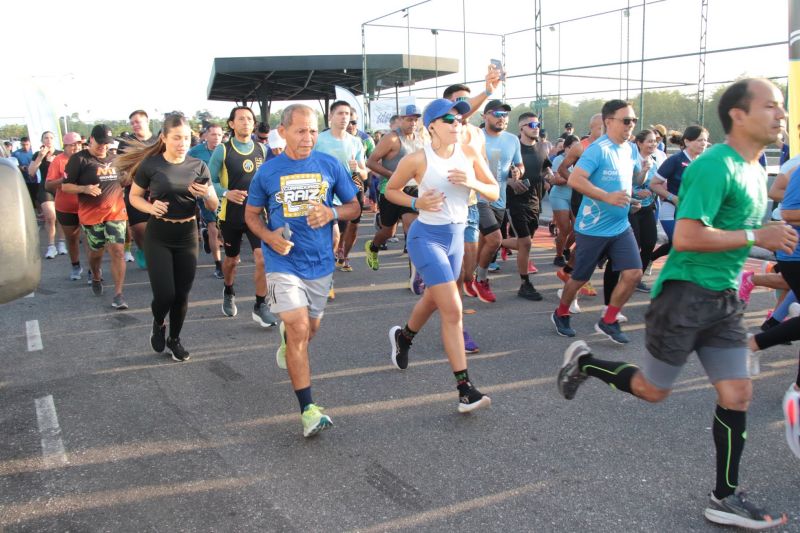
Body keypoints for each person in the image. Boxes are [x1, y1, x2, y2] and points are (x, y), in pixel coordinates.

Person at [557, 78, 794, 529]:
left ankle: (724, 496)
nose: (781, 115)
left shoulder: (753, 167)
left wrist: (761, 250)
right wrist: (755, 236)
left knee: (737, 393)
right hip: (685, 295)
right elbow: (685, 236)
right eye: (771, 106)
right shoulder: (714, 166)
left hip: (723, 300)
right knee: (652, 390)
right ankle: (587, 363)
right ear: (739, 116)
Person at [245, 104, 360, 437]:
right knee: (297, 327)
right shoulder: (267, 172)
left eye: (312, 130)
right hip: (283, 260)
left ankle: (287, 336)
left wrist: (332, 213)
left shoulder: (330, 164)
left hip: (320, 262)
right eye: (300, 130)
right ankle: (308, 409)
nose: (308, 137)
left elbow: (354, 207)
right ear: (283, 132)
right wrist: (268, 237)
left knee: (310, 329)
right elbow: (252, 216)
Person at [386, 98, 498, 413]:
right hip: (427, 238)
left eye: (460, 119)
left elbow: (493, 191)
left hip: (456, 238)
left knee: (436, 300)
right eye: (449, 119)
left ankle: (404, 338)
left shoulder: (470, 153)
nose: (457, 123)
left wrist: (472, 181)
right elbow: (390, 191)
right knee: (453, 309)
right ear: (431, 125)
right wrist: (415, 203)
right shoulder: (417, 160)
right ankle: (465, 389)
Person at [116, 114, 219, 362]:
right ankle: (158, 322)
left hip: (187, 235)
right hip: (159, 235)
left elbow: (214, 205)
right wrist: (150, 208)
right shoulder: (151, 165)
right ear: (164, 138)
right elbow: (134, 197)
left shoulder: (198, 166)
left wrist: (206, 194)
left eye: (186, 138)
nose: (182, 143)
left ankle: (175, 339)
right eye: (176, 138)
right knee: (165, 294)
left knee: (182, 294)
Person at [550, 100, 642, 343]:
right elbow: (575, 180)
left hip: (621, 226)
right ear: (608, 122)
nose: (631, 125)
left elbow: (630, 179)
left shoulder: (631, 149)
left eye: (633, 120)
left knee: (633, 274)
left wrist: (632, 198)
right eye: (626, 120)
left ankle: (609, 319)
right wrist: (607, 197)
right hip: (593, 227)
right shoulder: (597, 149)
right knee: (579, 277)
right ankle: (561, 313)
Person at [210, 105, 277, 327]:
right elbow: (209, 181)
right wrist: (226, 193)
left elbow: (269, 179)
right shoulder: (223, 150)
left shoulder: (262, 149)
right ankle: (228, 290)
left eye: (249, 119)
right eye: (241, 119)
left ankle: (260, 305)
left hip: (257, 214)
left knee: (262, 257)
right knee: (232, 260)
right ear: (231, 124)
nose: (246, 122)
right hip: (231, 215)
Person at [61, 125, 129, 310]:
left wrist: (128, 178)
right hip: (91, 215)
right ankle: (96, 274)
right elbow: (66, 186)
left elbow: (123, 180)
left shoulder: (116, 159)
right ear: (91, 139)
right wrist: (84, 188)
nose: (103, 147)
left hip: (116, 213)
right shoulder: (79, 160)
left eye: (107, 143)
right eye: (100, 143)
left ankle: (118, 294)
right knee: (96, 252)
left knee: (117, 250)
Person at [364, 105, 425, 286]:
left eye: (415, 119)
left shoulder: (421, 139)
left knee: (412, 229)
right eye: (408, 119)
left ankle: (414, 276)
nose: (412, 123)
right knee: (388, 231)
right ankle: (373, 247)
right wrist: (394, 176)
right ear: (400, 120)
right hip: (390, 189)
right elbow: (371, 162)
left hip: (413, 190)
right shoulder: (391, 138)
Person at [473, 99, 523, 303]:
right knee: (495, 239)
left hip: (499, 199)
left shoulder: (512, 140)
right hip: (477, 197)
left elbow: (519, 164)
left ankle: (470, 277)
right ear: (484, 116)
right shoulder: (475, 137)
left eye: (505, 115)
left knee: (484, 244)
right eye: (496, 114)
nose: (501, 118)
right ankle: (481, 280)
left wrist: (518, 172)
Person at [499, 112, 548, 300]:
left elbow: (545, 167)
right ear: (521, 128)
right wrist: (510, 182)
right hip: (514, 202)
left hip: (535, 202)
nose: (535, 127)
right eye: (531, 125)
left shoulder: (543, 147)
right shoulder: (512, 148)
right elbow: (497, 173)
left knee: (524, 244)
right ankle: (525, 284)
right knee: (525, 243)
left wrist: (550, 177)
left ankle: (494, 243)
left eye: (537, 124)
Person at [315, 101, 367, 272]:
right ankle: (326, 276)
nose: (344, 117)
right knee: (334, 236)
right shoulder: (319, 140)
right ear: (330, 116)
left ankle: (339, 256)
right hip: (325, 192)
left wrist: (357, 169)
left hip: (348, 193)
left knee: (343, 233)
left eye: (347, 114)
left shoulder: (356, 142)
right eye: (340, 113)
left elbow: (364, 173)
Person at [649, 126, 710, 263]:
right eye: (699, 140)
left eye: (705, 140)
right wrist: (672, 197)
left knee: (680, 245)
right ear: (687, 142)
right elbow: (653, 184)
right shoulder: (675, 160)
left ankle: (648, 260)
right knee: (680, 244)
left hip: (691, 211)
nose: (703, 143)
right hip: (671, 209)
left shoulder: (704, 162)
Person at [119, 110, 157, 267]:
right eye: (132, 123)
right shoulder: (126, 143)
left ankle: (157, 256)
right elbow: (121, 166)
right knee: (139, 228)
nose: (135, 125)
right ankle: (143, 249)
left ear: (147, 121)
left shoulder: (158, 140)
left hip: (156, 189)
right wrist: (125, 176)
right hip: (134, 189)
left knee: (157, 227)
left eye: (137, 121)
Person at [44, 132, 84, 280]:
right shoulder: (58, 161)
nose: (76, 147)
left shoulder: (86, 158)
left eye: (78, 144)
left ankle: (94, 270)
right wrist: (64, 179)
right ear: (65, 146)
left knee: (90, 239)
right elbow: (48, 185)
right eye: (72, 145)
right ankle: (75, 265)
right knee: (72, 238)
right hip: (66, 206)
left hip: (87, 206)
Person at [187, 124, 224, 279]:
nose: (216, 138)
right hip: (205, 193)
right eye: (213, 134)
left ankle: (208, 235)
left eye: (219, 135)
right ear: (205, 136)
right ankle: (218, 265)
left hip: (224, 193)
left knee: (223, 228)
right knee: (213, 227)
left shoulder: (225, 150)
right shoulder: (195, 152)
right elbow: (184, 168)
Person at [28, 131, 65, 258]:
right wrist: (40, 157)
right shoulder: (37, 154)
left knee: (61, 216)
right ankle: (51, 246)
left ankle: (61, 242)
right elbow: (31, 172)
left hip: (60, 187)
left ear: (54, 139)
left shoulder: (61, 154)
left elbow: (68, 171)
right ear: (42, 140)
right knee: (50, 216)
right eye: (45, 138)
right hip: (45, 187)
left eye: (50, 137)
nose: (48, 140)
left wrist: (55, 162)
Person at [12, 137, 35, 206]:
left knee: (37, 195)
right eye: (23, 145)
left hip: (36, 179)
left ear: (30, 144)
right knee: (28, 196)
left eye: (27, 144)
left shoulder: (35, 152)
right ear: (20, 144)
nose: (25, 146)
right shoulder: (16, 154)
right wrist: (20, 167)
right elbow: (12, 165)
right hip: (23, 179)